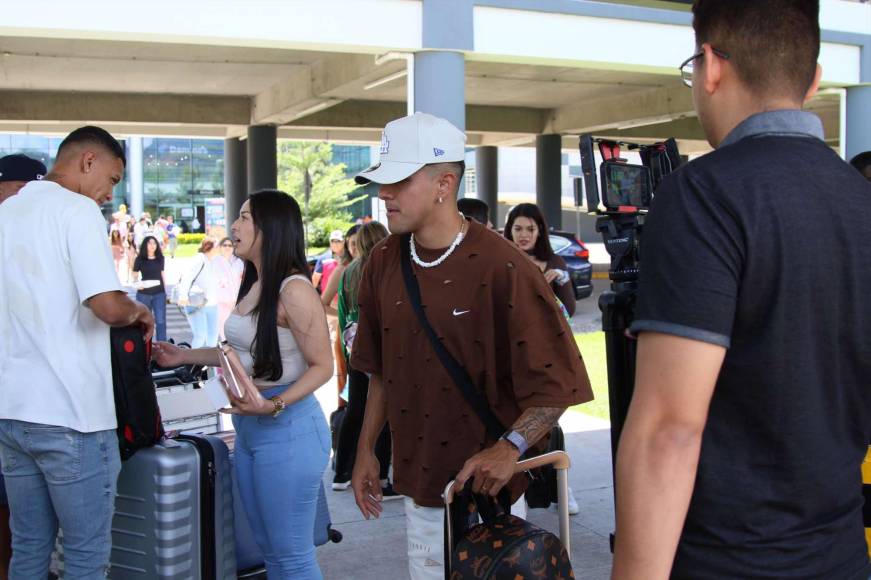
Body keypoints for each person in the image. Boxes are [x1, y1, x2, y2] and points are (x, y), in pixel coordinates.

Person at [611, 2, 871, 579]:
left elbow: (668, 431)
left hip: (726, 562)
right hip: (842, 554)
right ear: (814, 79)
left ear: (710, 66)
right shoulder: (859, 198)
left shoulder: (704, 195)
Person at [348, 112, 593, 579]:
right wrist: (366, 451)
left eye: (397, 181)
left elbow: (557, 382)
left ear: (444, 183)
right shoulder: (381, 261)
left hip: (489, 503)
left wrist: (509, 448)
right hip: (419, 489)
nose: (383, 194)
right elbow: (381, 368)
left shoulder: (504, 267)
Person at [153, 190, 332, 579]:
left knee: (292, 555)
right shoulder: (255, 283)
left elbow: (324, 367)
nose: (234, 226)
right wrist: (182, 356)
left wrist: (275, 405)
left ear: (272, 228)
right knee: (270, 552)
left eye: (245, 217)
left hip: (290, 431)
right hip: (252, 429)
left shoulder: (294, 290)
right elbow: (240, 354)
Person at [0, 125, 154, 579]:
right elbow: (106, 304)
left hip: (11, 415)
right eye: (111, 178)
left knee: (28, 549)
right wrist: (139, 311)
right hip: (73, 417)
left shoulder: (7, 212)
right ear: (88, 161)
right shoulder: (78, 211)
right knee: (85, 557)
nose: (109, 193)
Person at [332, 222, 396, 497]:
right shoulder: (386, 269)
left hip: (355, 349)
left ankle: (340, 472)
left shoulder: (349, 272)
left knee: (355, 410)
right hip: (384, 350)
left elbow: (344, 312)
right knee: (383, 413)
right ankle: (381, 479)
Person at [504, 203, 576, 317]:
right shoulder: (501, 262)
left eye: (530, 229)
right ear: (510, 230)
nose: (524, 235)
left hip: (546, 333)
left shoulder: (555, 262)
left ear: (540, 231)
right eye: (518, 229)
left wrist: (562, 279)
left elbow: (569, 311)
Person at [177, 237, 220, 348]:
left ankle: (211, 364)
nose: (219, 248)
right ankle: (192, 363)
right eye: (217, 245)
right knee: (200, 336)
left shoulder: (214, 261)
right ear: (209, 247)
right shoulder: (199, 259)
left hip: (212, 304)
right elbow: (187, 277)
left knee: (213, 335)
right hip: (196, 303)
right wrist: (183, 296)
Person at [133, 235, 168, 342]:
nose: (153, 245)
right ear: (145, 245)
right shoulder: (139, 259)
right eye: (150, 243)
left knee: (161, 320)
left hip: (159, 293)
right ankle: (143, 344)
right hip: (144, 294)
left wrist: (165, 291)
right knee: (144, 321)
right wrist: (138, 284)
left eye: (154, 243)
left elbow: (162, 275)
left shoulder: (160, 258)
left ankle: (162, 345)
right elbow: (134, 276)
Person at [213, 236, 244, 339]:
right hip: (222, 301)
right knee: (223, 327)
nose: (227, 247)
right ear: (220, 247)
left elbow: (242, 280)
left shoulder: (238, 262)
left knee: (237, 327)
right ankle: (225, 348)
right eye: (224, 245)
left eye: (230, 245)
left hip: (237, 301)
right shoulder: (215, 262)